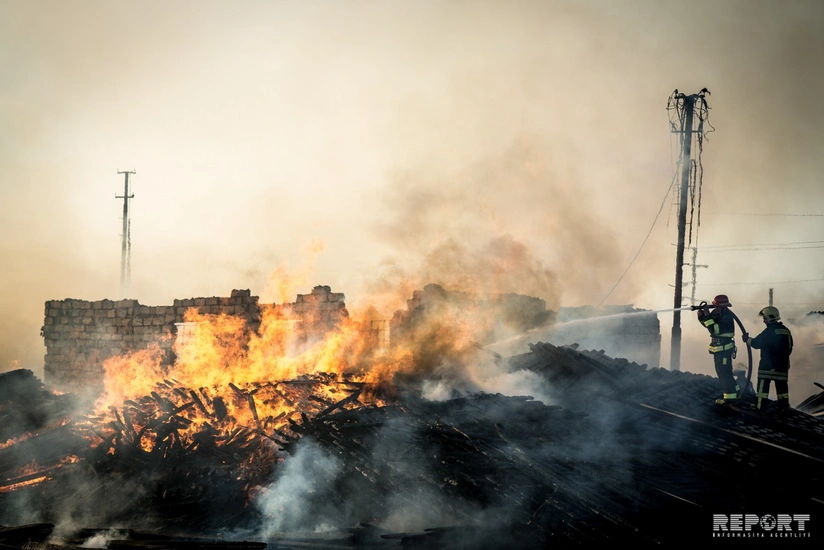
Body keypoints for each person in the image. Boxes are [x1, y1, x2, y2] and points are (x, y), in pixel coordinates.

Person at [742, 306, 793, 411]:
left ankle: (760, 406)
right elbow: (790, 347)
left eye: (764, 318)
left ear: (770, 318)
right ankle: (784, 407)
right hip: (782, 366)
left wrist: (747, 339)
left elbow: (756, 343)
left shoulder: (769, 331)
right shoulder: (786, 331)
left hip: (767, 366)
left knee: (762, 389)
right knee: (782, 389)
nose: (763, 320)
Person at [698, 294, 739, 405]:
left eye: (718, 307)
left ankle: (729, 398)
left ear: (724, 307)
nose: (716, 309)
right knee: (723, 371)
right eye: (715, 306)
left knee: (724, 373)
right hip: (718, 349)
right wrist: (701, 317)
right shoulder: (717, 313)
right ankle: (736, 390)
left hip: (724, 350)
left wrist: (706, 315)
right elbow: (708, 324)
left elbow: (714, 330)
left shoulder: (727, 317)